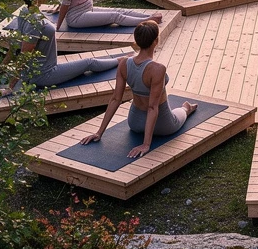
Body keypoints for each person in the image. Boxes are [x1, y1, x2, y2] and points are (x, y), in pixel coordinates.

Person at [79, 19, 198, 159]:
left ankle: (184, 109)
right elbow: (153, 107)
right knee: (181, 113)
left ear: (137, 40)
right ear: (156, 41)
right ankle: (186, 108)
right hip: (163, 124)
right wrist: (146, 144)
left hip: (134, 122)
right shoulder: (158, 69)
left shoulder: (124, 63)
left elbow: (115, 99)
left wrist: (99, 132)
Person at [2, 0, 120, 94]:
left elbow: (15, 43)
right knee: (89, 62)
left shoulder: (25, 11)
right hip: (44, 74)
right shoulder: (35, 22)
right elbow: (24, 55)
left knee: (85, 62)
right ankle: (120, 61)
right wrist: (10, 87)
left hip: (39, 70)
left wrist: (1, 67)